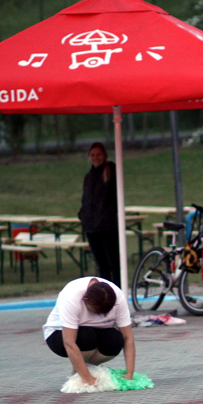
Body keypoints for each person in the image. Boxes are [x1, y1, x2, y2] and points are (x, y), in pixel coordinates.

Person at [43, 277, 135, 386]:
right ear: (85, 298)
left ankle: (86, 367)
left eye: (105, 313)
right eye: (97, 312)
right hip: (58, 335)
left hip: (97, 332)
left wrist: (129, 374)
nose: (100, 315)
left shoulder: (118, 297)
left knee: (115, 340)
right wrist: (88, 379)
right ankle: (80, 373)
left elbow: (128, 338)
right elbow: (69, 342)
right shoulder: (72, 296)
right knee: (86, 336)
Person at [78, 142, 120, 286]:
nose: (96, 157)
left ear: (104, 156)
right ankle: (105, 292)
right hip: (91, 227)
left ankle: (116, 289)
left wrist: (106, 216)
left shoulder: (112, 173)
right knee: (101, 265)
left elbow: (113, 199)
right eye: (93, 155)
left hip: (107, 226)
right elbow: (86, 200)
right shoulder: (89, 177)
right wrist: (83, 216)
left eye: (98, 154)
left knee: (113, 262)